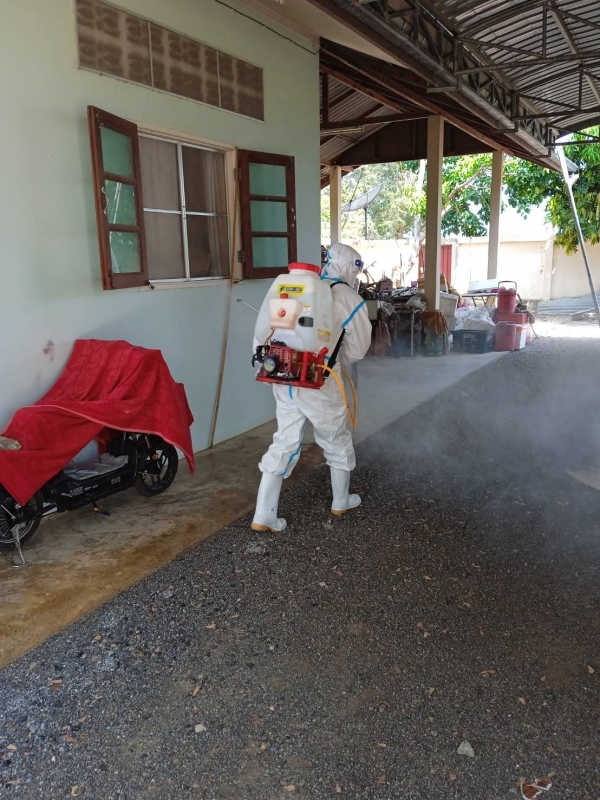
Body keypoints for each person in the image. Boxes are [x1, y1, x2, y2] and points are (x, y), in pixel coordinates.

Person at [251, 243, 372, 532]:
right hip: (321, 378)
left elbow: (263, 333)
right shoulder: (349, 298)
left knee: (284, 440)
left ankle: (264, 514)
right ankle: (341, 500)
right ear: (349, 268)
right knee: (336, 437)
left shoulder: (295, 288)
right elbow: (357, 349)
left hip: (283, 374)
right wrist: (335, 360)